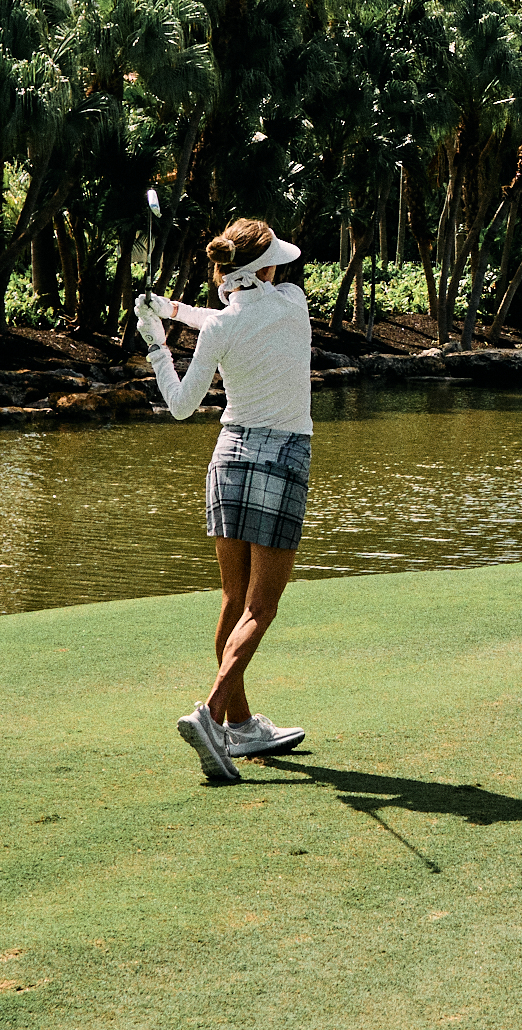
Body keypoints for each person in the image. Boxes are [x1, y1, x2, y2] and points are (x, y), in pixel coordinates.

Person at [137, 217, 316, 783]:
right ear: (265, 270)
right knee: (261, 608)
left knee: (234, 597)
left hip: (229, 455)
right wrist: (171, 312)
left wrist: (158, 336)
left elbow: (183, 404)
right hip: (281, 457)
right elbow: (237, 307)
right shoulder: (292, 303)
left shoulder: (217, 329)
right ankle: (212, 715)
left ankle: (240, 727)